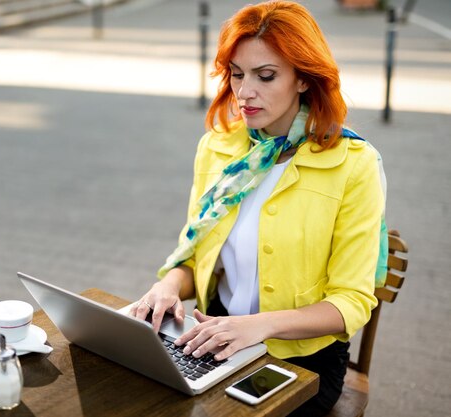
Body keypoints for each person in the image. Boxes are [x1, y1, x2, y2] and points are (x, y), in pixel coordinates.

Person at [128, 1, 386, 415]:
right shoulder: (219, 148)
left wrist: (257, 327)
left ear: (303, 78)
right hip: (212, 336)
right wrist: (167, 288)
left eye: (266, 76)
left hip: (302, 362)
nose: (244, 92)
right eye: (237, 74)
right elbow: (195, 257)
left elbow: (352, 302)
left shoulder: (353, 164)